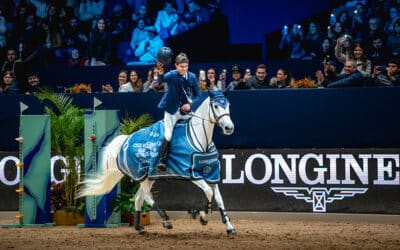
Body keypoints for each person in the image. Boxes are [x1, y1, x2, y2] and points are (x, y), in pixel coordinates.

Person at [156, 52, 201, 171]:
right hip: (171, 110)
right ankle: (162, 160)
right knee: (168, 135)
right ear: (176, 65)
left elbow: (198, 95)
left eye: (186, 66)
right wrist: (160, 71)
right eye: (181, 66)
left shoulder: (192, 77)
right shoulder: (171, 75)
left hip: (185, 110)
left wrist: (190, 104)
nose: (184, 69)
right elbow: (161, 80)